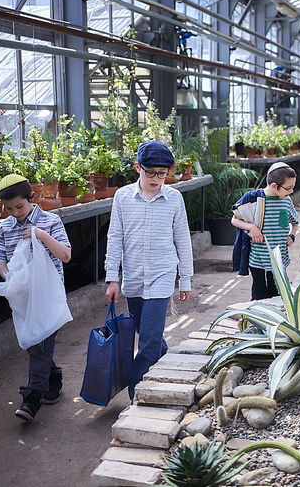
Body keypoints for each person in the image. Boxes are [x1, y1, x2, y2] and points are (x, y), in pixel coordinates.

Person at [104, 141, 193, 402]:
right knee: (146, 334)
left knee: (149, 339)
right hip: (133, 276)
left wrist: (185, 278)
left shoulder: (174, 198)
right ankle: (167, 361)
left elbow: (182, 239)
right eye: (150, 172)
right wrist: (112, 278)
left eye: (162, 173)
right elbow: (115, 237)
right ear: (137, 168)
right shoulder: (123, 197)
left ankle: (137, 394)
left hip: (162, 273)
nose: (156, 179)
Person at [0, 174, 72, 423]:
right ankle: (54, 379)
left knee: (39, 344)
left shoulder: (51, 221)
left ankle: (31, 399)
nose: (15, 213)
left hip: (49, 297)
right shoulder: (4, 227)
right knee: (35, 343)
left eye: (20, 206)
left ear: (31, 198)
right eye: (9, 209)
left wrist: (41, 235)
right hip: (22, 298)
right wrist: (10, 279)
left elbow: (66, 255)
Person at [231, 162, 299, 300]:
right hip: (258, 258)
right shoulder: (254, 198)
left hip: (280, 257)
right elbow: (234, 220)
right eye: (288, 188)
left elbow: (295, 223)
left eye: (293, 187)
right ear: (274, 186)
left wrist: (291, 235)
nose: (291, 191)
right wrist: (251, 227)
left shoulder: (287, 201)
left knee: (277, 293)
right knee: (259, 294)